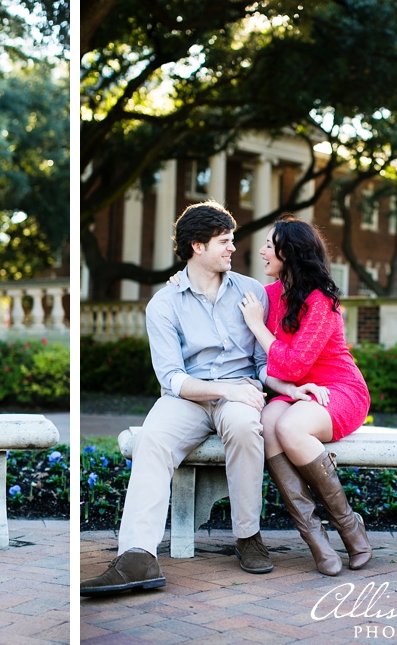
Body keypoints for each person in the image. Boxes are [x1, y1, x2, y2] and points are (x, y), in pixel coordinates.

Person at [81, 201, 273, 597]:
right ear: (197, 247)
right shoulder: (164, 304)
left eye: (232, 240)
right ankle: (137, 556)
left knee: (244, 427)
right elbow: (171, 378)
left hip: (240, 393)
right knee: (151, 439)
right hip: (188, 397)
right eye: (224, 241)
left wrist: (274, 388)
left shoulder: (252, 292)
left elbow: (262, 361)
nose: (233, 248)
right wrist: (225, 390)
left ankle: (248, 536)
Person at [237, 214, 372, 576]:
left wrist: (256, 326)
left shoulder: (321, 301)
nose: (262, 251)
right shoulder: (268, 296)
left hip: (337, 389)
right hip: (296, 392)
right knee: (267, 424)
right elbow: (223, 289)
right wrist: (180, 277)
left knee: (290, 428)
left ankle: (350, 528)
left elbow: (294, 364)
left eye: (270, 245)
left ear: (290, 252)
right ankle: (316, 540)